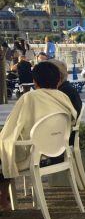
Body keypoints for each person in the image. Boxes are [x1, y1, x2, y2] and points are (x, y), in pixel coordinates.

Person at [0, 62, 78, 210]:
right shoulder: (62, 97)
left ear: (35, 82)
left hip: (36, 155)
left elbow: (13, 126)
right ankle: (3, 198)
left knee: (4, 149)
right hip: (57, 152)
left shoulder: (29, 98)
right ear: (57, 80)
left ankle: (3, 198)